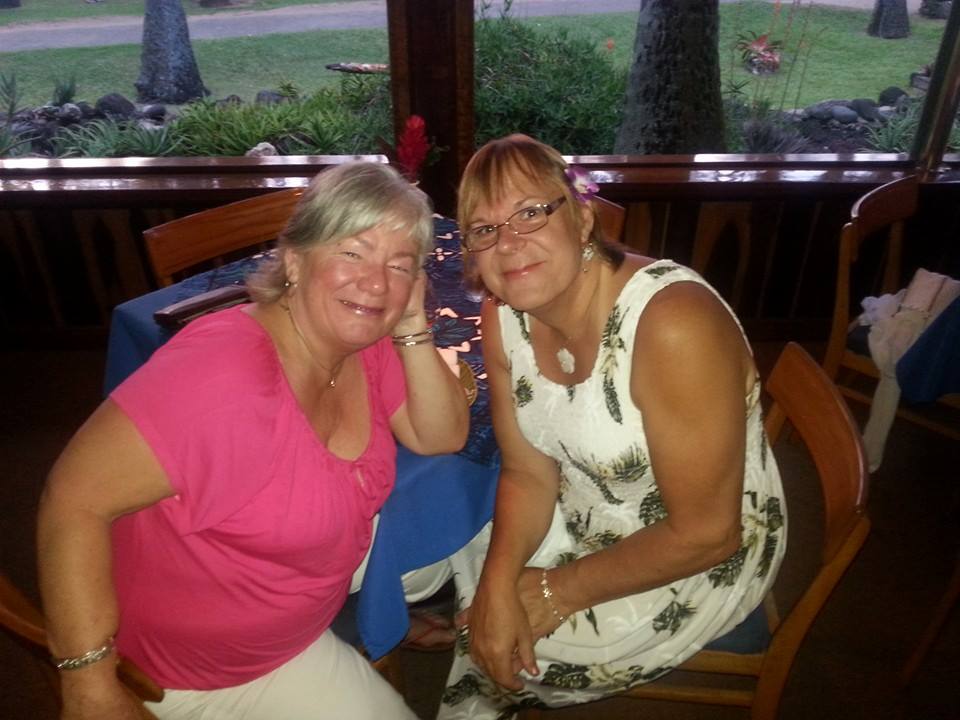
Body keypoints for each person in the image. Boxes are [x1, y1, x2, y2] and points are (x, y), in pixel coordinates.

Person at [37, 161, 470, 720]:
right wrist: (89, 685)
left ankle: (382, 611)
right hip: (203, 671)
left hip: (291, 606)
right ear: (295, 260)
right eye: (353, 253)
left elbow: (441, 435)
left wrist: (411, 323)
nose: (376, 282)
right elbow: (73, 500)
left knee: (448, 537)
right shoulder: (222, 377)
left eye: (400, 265)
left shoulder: (360, 343)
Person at [438, 135, 787, 719]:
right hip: (585, 502)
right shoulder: (504, 315)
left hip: (696, 553)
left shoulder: (673, 325)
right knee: (480, 575)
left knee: (508, 649)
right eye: (485, 229)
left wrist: (552, 591)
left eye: (530, 213)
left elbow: (709, 533)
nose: (509, 243)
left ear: (582, 219)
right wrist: (502, 584)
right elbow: (526, 470)